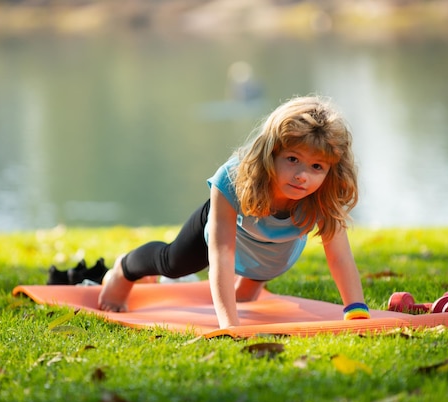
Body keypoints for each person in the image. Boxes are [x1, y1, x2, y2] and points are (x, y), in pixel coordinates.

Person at [99, 96, 370, 329]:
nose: (302, 176)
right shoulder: (233, 179)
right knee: (173, 263)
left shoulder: (324, 195)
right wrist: (230, 324)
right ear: (271, 153)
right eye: (292, 160)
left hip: (273, 255)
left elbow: (340, 257)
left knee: (249, 292)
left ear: (330, 170)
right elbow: (222, 254)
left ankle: (250, 285)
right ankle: (124, 269)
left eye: (316, 167)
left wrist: (356, 311)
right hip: (222, 237)